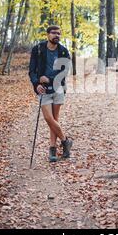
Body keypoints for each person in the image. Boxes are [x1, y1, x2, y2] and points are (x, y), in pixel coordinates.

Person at [29, 25, 73, 162]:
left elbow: (65, 72)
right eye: (54, 33)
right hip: (43, 89)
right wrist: (36, 84)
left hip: (58, 88)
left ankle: (52, 150)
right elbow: (32, 70)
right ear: (47, 34)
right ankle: (65, 141)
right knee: (49, 119)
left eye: (59, 33)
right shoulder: (38, 49)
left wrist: (50, 79)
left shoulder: (64, 52)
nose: (57, 35)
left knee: (55, 119)